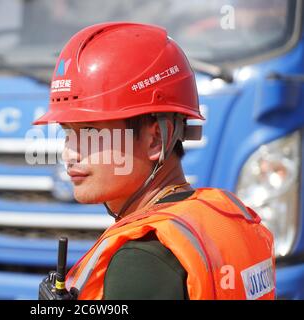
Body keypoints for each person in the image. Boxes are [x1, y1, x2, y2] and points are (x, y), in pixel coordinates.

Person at [34, 22, 275, 300]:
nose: (69, 153)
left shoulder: (143, 258)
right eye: (68, 133)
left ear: (156, 139)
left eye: (91, 133)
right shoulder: (227, 217)